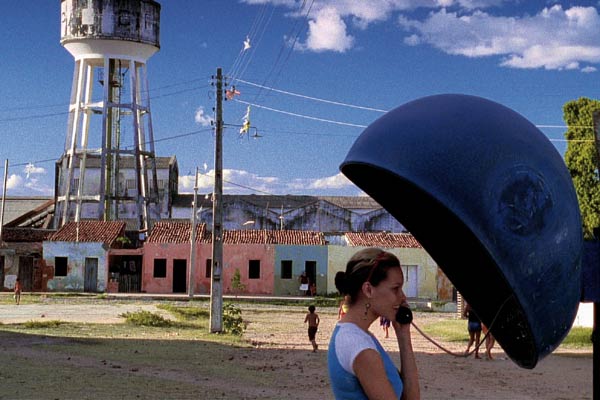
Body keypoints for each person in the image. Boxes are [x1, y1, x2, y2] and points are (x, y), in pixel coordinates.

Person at [328, 248, 420, 399]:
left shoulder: (358, 335)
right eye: (395, 289)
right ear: (369, 290)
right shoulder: (360, 347)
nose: (403, 297)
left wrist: (403, 334)